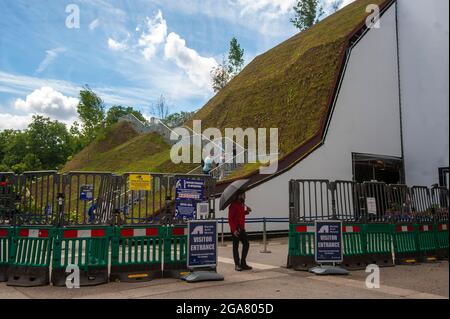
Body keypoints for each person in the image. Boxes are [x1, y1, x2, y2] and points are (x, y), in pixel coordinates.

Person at [228, 191, 252, 271]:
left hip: (242, 228)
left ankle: (243, 263)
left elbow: (240, 215)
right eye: (243, 195)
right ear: (238, 196)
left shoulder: (241, 205)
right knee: (236, 246)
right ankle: (237, 264)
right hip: (236, 229)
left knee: (246, 243)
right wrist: (234, 230)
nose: (245, 197)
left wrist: (247, 211)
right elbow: (230, 219)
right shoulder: (233, 206)